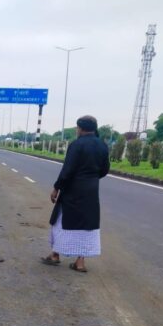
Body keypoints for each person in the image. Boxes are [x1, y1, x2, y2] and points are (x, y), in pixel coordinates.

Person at [43, 115, 110, 273]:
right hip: (92, 190)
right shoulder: (102, 145)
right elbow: (105, 169)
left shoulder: (76, 145)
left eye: (77, 128)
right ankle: (80, 262)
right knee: (86, 225)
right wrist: (91, 178)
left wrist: (56, 187)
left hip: (73, 189)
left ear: (80, 128)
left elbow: (67, 170)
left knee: (62, 221)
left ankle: (55, 254)